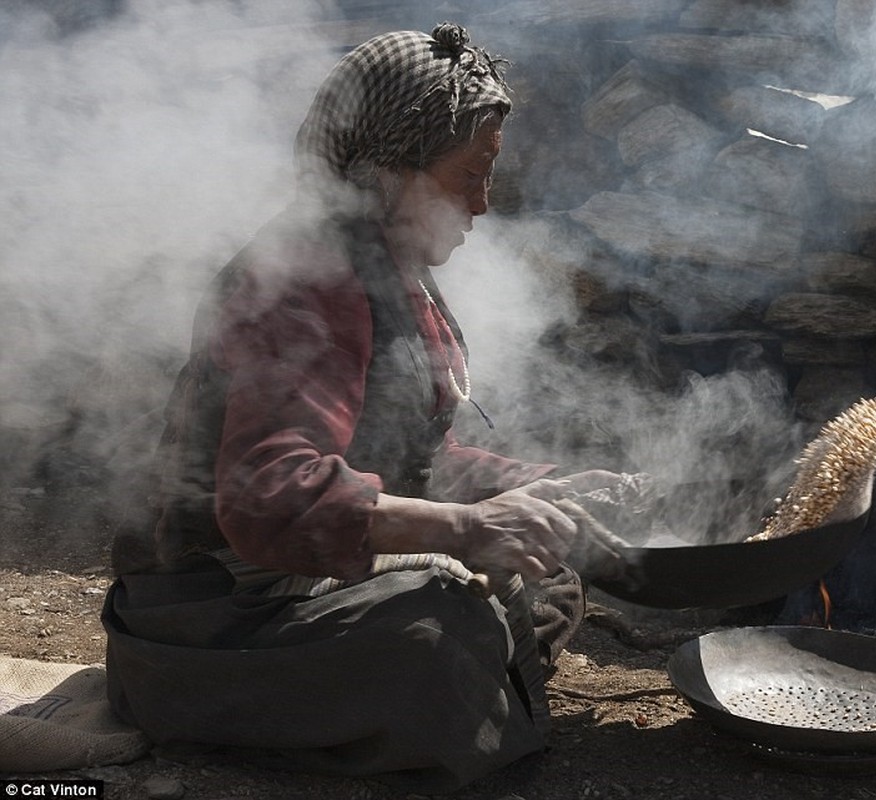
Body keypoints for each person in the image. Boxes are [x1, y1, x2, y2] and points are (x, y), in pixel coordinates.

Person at [102, 23, 627, 792]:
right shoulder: (301, 284)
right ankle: (268, 714)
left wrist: (527, 487)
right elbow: (270, 500)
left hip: (313, 589)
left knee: (543, 575)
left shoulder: (391, 272)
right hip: (219, 615)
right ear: (383, 174)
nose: (482, 205)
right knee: (443, 619)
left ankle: (410, 706)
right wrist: (471, 527)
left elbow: (405, 456)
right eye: (467, 176)